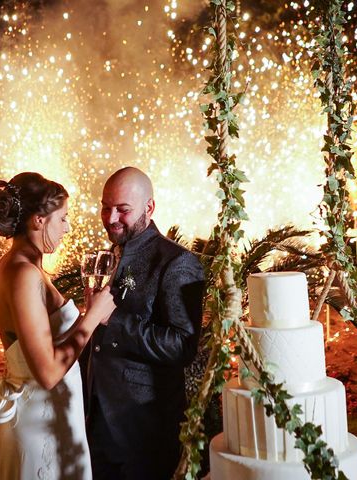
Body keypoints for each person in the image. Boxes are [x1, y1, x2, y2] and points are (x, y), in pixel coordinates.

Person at [0, 172, 115, 480]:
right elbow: (47, 373)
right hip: (39, 426)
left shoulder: (26, 267)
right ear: (38, 220)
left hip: (52, 417)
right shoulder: (23, 274)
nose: (67, 228)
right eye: (62, 219)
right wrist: (92, 315)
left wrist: (90, 309)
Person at [83, 167, 205, 480]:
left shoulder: (178, 262)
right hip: (95, 415)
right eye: (105, 208)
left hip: (142, 426)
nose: (111, 219)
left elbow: (183, 346)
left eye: (123, 210)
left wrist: (111, 318)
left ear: (149, 208)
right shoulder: (109, 255)